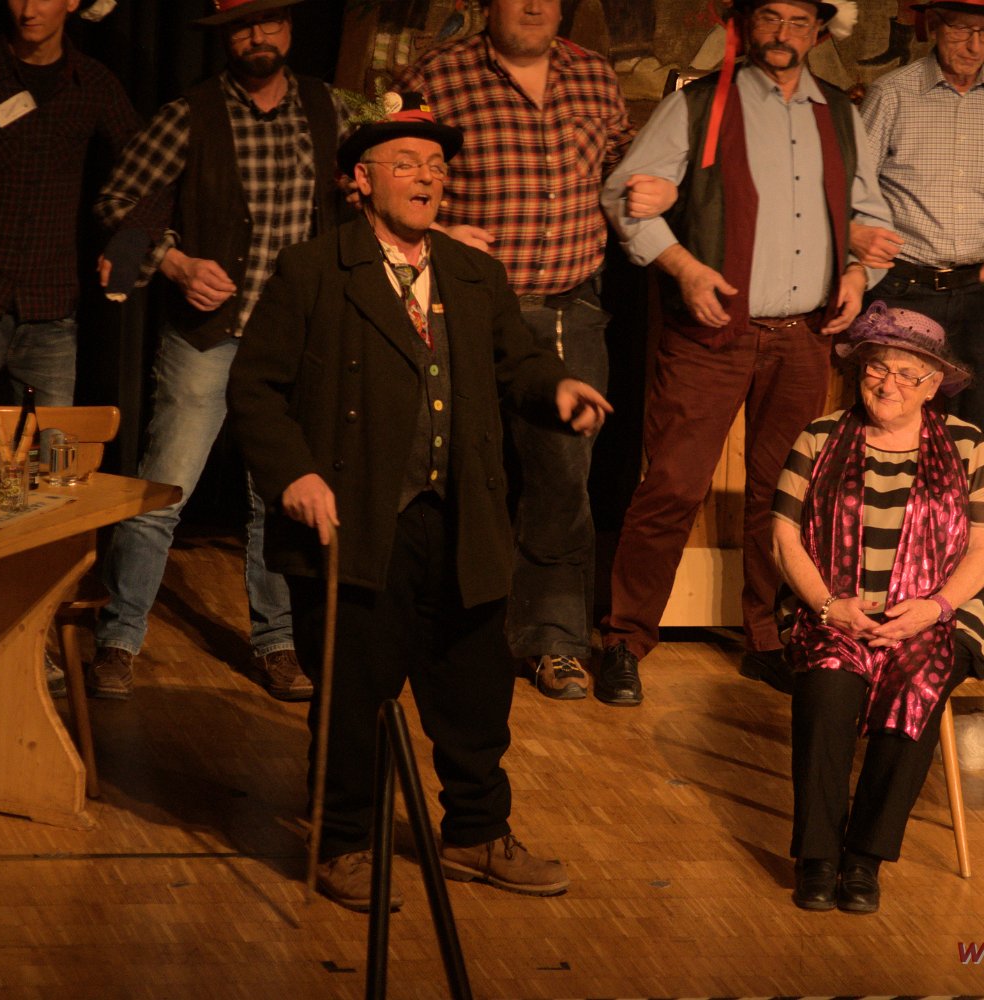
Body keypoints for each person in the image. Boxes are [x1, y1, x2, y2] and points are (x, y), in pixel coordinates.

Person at [225, 94, 611, 911]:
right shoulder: (313, 271)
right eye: (405, 164)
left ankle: (475, 833)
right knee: (355, 694)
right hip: (359, 520)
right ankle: (343, 843)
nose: (426, 178)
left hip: (462, 514)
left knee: (474, 692)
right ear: (360, 180)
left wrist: (555, 388)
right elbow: (256, 389)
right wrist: (294, 474)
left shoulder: (473, 274)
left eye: (436, 166)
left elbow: (516, 363)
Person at [596, 0, 896, 705]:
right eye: (769, 17)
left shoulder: (839, 115)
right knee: (672, 486)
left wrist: (858, 276)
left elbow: (870, 215)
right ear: (744, 25)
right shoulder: (700, 106)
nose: (782, 34)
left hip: (803, 337)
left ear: (817, 31)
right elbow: (623, 196)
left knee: (782, 494)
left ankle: (766, 639)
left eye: (797, 20)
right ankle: (625, 639)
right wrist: (682, 268)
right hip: (710, 334)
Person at [86, 0, 352, 701]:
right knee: (163, 491)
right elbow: (117, 201)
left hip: (293, 343)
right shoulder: (191, 114)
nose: (257, 36)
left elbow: (359, 196)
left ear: (290, 28)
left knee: (280, 498)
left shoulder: (326, 109)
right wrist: (174, 262)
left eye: (269, 21)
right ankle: (119, 637)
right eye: (242, 25)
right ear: (225, 38)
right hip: (208, 336)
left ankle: (277, 644)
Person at [392, 0, 633, 701]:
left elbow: (621, 166)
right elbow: (376, 178)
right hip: (468, 307)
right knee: (457, 469)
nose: (533, 6)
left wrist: (647, 184)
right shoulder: (439, 76)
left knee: (563, 476)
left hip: (569, 307)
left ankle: (552, 639)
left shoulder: (594, 76)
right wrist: (439, 231)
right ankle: (441, 630)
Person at [771, 301, 984, 914]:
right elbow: (783, 536)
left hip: (934, 615)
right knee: (827, 688)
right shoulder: (820, 436)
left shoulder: (967, 443)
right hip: (835, 611)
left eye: (908, 373)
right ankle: (817, 857)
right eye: (878, 367)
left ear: (933, 385)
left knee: (917, 685)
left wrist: (936, 607)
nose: (888, 383)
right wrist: (827, 606)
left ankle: (864, 860)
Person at [0, 0, 143, 404]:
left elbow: (149, 168)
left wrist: (134, 237)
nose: (28, 10)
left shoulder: (93, 82)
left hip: (50, 311)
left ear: (72, 2)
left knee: (52, 443)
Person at [855, 0, 984, 465]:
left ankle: (972, 514)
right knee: (891, 422)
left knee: (981, 431)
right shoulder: (893, 94)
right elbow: (855, 185)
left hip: (983, 293)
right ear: (936, 26)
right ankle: (887, 511)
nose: (974, 45)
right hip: (905, 285)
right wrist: (855, 236)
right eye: (962, 29)